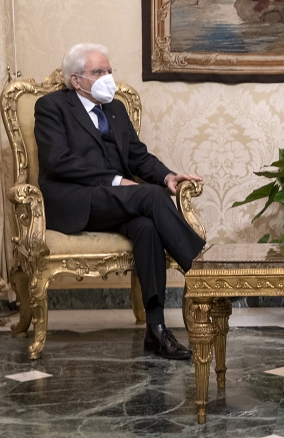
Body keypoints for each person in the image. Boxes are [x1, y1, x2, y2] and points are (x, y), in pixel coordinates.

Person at [34, 43, 207, 360]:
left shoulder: (114, 108)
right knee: (150, 195)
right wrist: (115, 181)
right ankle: (204, 271)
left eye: (109, 71)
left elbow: (138, 157)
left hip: (114, 202)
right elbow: (58, 162)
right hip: (75, 200)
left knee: (146, 228)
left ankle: (156, 330)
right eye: (98, 71)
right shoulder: (51, 107)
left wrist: (167, 176)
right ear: (76, 80)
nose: (107, 77)